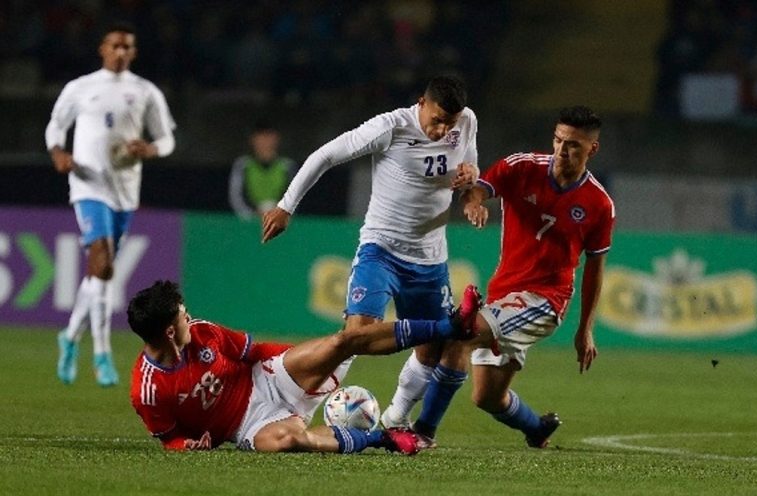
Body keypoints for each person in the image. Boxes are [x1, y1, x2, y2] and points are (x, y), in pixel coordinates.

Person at [262, 76, 479, 431]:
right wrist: (286, 206)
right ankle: (298, 408)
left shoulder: (467, 120)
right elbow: (326, 155)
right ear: (421, 103)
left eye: (449, 124)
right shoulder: (390, 126)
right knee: (356, 335)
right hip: (382, 250)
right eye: (436, 120)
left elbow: (468, 166)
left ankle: (396, 416)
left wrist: (470, 180)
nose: (442, 130)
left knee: (431, 352)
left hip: (430, 258)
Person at [411, 106, 615, 448]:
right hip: (503, 293)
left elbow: (595, 268)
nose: (562, 150)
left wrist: (586, 329)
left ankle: (421, 433)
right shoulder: (522, 166)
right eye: (558, 140)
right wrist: (473, 202)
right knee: (487, 397)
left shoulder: (599, 204)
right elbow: (480, 187)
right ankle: (537, 428)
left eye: (573, 145)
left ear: (592, 149)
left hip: (545, 300)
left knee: (461, 335)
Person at [128, 280, 481, 453]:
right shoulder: (148, 391)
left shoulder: (204, 332)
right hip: (249, 427)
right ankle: (384, 439)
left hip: (268, 379)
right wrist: (187, 446)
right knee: (290, 440)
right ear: (170, 331)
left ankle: (451, 326)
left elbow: (256, 350)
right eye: (182, 315)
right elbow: (169, 438)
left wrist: (305, 358)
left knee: (344, 342)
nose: (190, 316)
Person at [45, 22, 176, 386]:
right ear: (103, 48)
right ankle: (101, 353)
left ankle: (69, 336)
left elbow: (167, 139)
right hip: (87, 185)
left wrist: (150, 148)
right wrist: (58, 152)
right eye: (115, 45)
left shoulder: (145, 91)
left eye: (127, 47)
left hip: (125, 190)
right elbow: (55, 126)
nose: (120, 52)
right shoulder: (81, 88)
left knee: (97, 273)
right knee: (103, 263)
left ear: (133, 53)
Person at [228, 124, 297, 220]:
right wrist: (251, 215)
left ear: (276, 139)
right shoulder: (242, 165)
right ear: (252, 140)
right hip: (248, 222)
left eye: (269, 137)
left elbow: (295, 196)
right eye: (261, 137)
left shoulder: (287, 166)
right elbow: (236, 198)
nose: (265, 142)